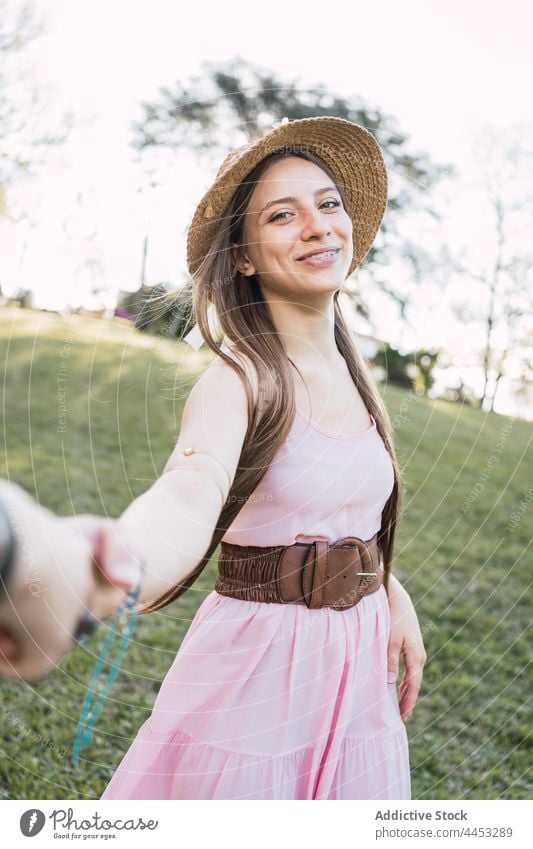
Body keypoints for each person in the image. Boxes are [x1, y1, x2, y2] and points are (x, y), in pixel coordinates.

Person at [0, 116, 427, 799]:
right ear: (246, 256)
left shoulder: (357, 373)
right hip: (258, 682)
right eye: (283, 215)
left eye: (328, 204)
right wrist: (99, 561)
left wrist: (385, 588)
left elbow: (342, 509)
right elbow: (186, 492)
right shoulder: (240, 377)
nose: (318, 225)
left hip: (354, 686)